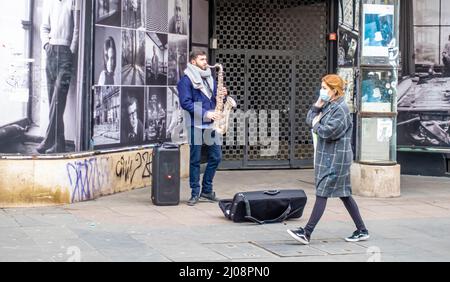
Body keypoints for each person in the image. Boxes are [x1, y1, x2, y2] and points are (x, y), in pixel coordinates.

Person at [287, 74, 370, 245]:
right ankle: (362, 230)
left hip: (336, 159)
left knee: (322, 192)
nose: (321, 91)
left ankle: (306, 232)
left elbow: (328, 132)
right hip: (328, 156)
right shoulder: (327, 105)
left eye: (325, 88)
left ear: (334, 91)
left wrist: (316, 124)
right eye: (322, 87)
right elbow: (309, 119)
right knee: (344, 194)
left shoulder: (341, 109)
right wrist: (317, 107)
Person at [178, 50, 228, 206]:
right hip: (195, 124)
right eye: (202, 59)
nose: (205, 62)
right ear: (193, 62)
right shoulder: (186, 80)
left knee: (216, 157)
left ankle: (207, 190)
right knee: (195, 160)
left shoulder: (210, 78)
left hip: (211, 125)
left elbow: (214, 99)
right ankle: (194, 193)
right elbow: (185, 103)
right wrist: (206, 114)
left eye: (206, 59)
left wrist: (223, 95)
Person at [37, 0, 80, 154]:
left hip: (65, 54)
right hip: (50, 54)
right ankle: (59, 143)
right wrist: (46, 45)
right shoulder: (49, 2)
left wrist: (71, 51)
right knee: (53, 101)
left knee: (58, 100)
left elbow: (77, 28)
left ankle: (49, 138)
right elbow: (44, 27)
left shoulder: (74, 2)